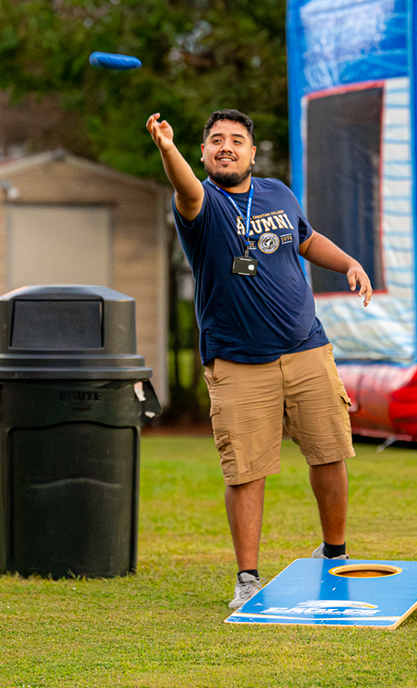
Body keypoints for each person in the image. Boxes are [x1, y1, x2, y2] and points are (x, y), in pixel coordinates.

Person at [146, 108, 372, 610]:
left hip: (306, 348)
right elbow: (184, 186)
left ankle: (334, 553)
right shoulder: (201, 203)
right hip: (239, 362)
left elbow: (306, 239)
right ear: (203, 153)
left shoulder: (278, 194)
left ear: (252, 152)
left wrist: (349, 263)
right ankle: (248, 578)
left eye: (236, 140)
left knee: (330, 453)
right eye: (216, 140)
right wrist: (167, 148)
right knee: (246, 470)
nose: (226, 146)